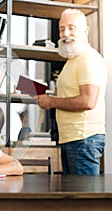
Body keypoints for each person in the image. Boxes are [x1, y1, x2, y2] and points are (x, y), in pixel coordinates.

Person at [37, 8, 107, 175]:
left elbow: (88, 101)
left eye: (71, 27)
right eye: (62, 29)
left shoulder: (88, 59)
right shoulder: (72, 61)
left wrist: (51, 102)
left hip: (83, 139)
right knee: (73, 197)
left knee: (84, 199)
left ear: (85, 31)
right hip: (72, 139)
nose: (65, 33)